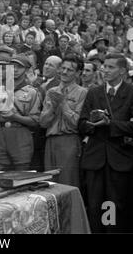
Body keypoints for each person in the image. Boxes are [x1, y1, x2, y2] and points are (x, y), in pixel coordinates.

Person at [79, 53, 133, 233]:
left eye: (110, 67)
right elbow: (81, 124)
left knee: (114, 206)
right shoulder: (94, 92)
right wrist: (92, 123)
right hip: (95, 159)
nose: (105, 70)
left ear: (122, 71)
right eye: (104, 66)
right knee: (94, 206)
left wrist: (110, 124)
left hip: (120, 159)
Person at [40, 55, 88, 187]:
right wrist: (53, 108)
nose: (65, 72)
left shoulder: (83, 93)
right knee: (50, 183)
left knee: (68, 182)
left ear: (78, 73)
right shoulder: (51, 92)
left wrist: (63, 104)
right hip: (50, 141)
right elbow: (43, 123)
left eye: (70, 70)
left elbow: (78, 123)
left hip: (69, 140)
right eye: (63, 68)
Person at [0, 55, 42, 171]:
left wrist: (15, 117)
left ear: (27, 70)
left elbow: (35, 121)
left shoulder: (32, 92)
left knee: (22, 172)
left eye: (19, 67)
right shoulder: (0, 89)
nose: (15, 70)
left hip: (21, 134)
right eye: (12, 66)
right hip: (0, 133)